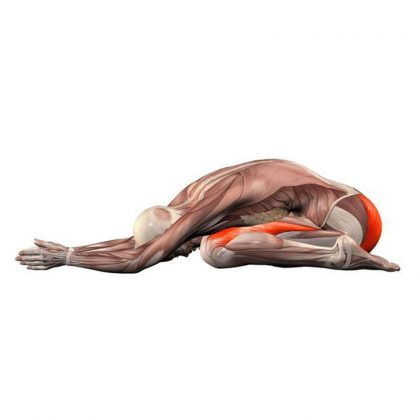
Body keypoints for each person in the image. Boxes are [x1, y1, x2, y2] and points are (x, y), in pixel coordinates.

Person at [15, 159, 400, 273]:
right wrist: (72, 250)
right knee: (216, 244)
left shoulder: (207, 203)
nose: (177, 250)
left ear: (177, 223)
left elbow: (139, 259)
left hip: (351, 215)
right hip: (315, 218)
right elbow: (137, 244)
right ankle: (333, 249)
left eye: (176, 243)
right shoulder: (182, 205)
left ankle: (338, 254)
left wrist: (70, 259)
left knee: (215, 251)